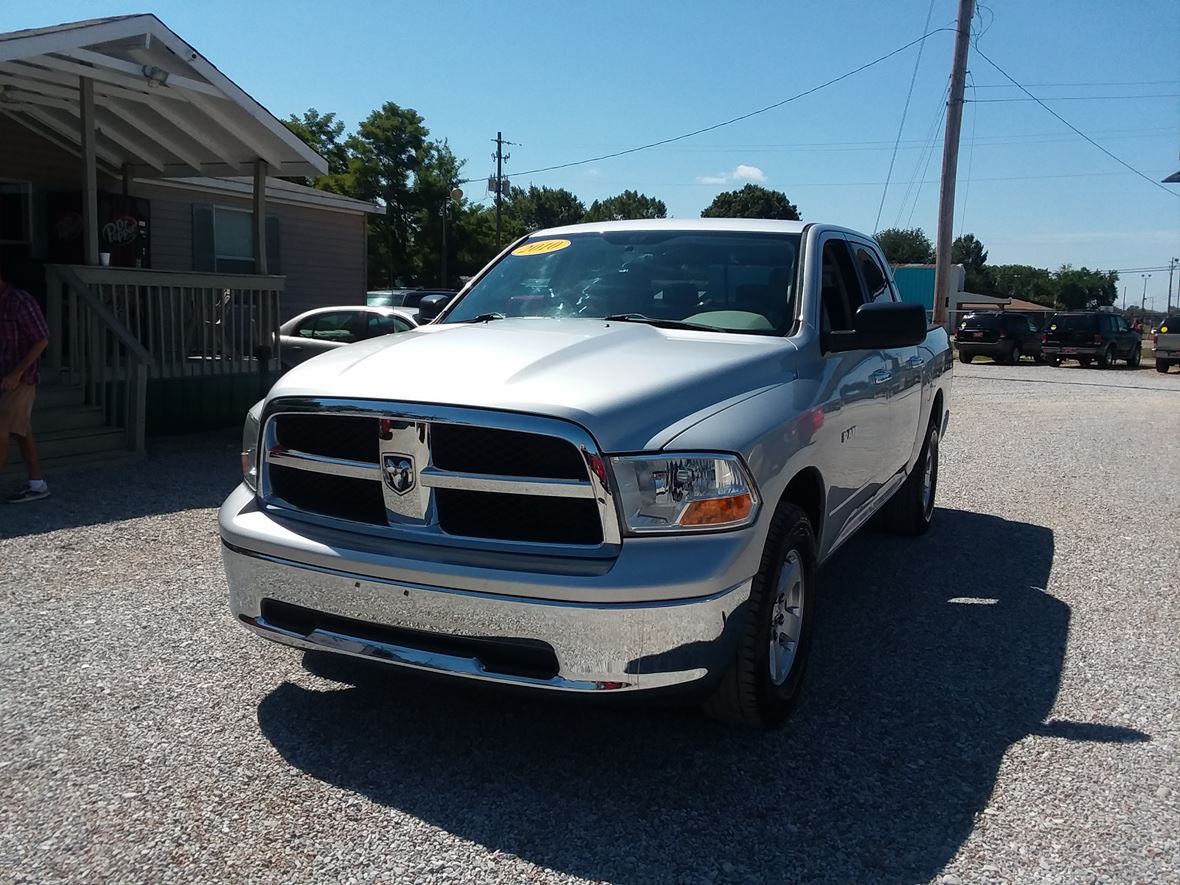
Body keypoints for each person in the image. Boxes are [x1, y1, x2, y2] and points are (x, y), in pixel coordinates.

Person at [0, 265, 50, 503]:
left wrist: (16, 373)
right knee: (21, 430)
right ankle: (37, 483)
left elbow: (41, 340)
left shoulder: (21, 301)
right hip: (3, 376)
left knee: (2, 428)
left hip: (21, 378)